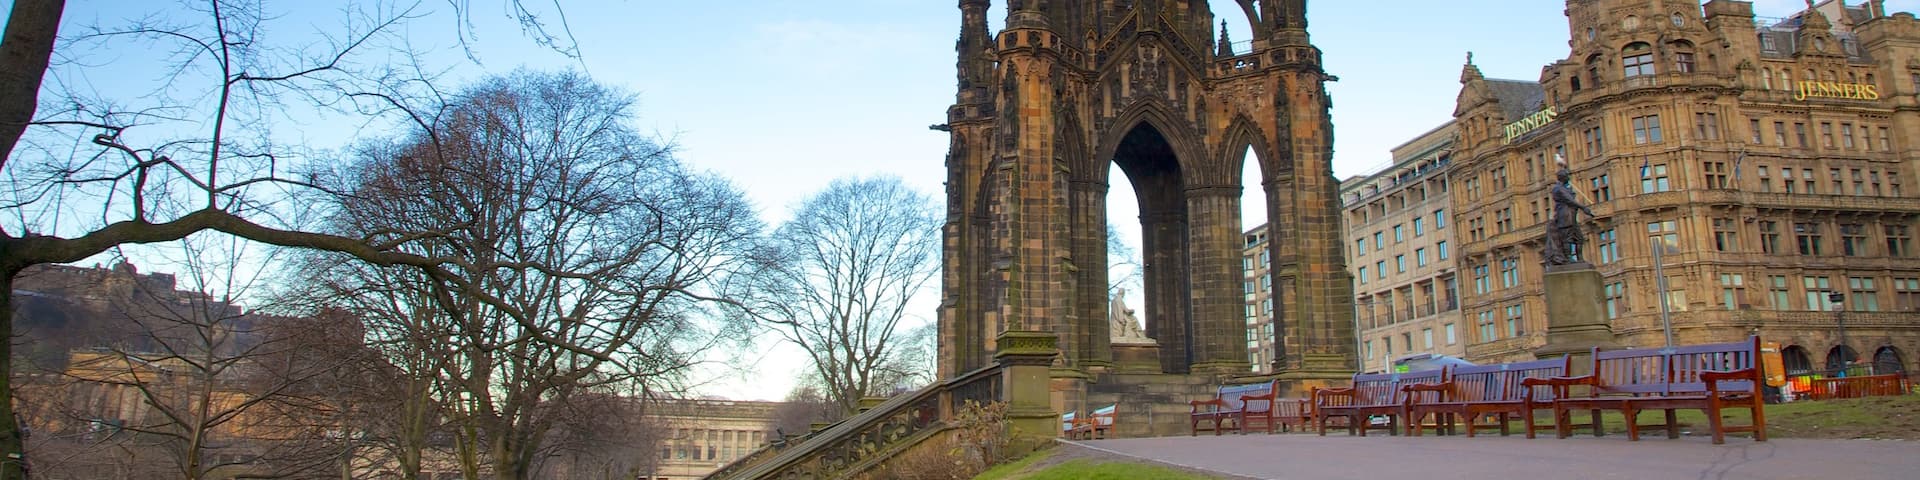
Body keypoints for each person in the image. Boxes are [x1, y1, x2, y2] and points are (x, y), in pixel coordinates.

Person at [1544, 167, 1596, 265]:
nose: (1569, 178)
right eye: (1568, 176)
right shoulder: (1557, 188)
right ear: (1563, 177)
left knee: (1579, 238)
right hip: (1564, 216)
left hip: (1572, 216)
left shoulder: (1564, 188)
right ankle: (1568, 258)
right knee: (1567, 238)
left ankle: (1580, 259)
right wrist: (1583, 207)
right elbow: (1569, 200)